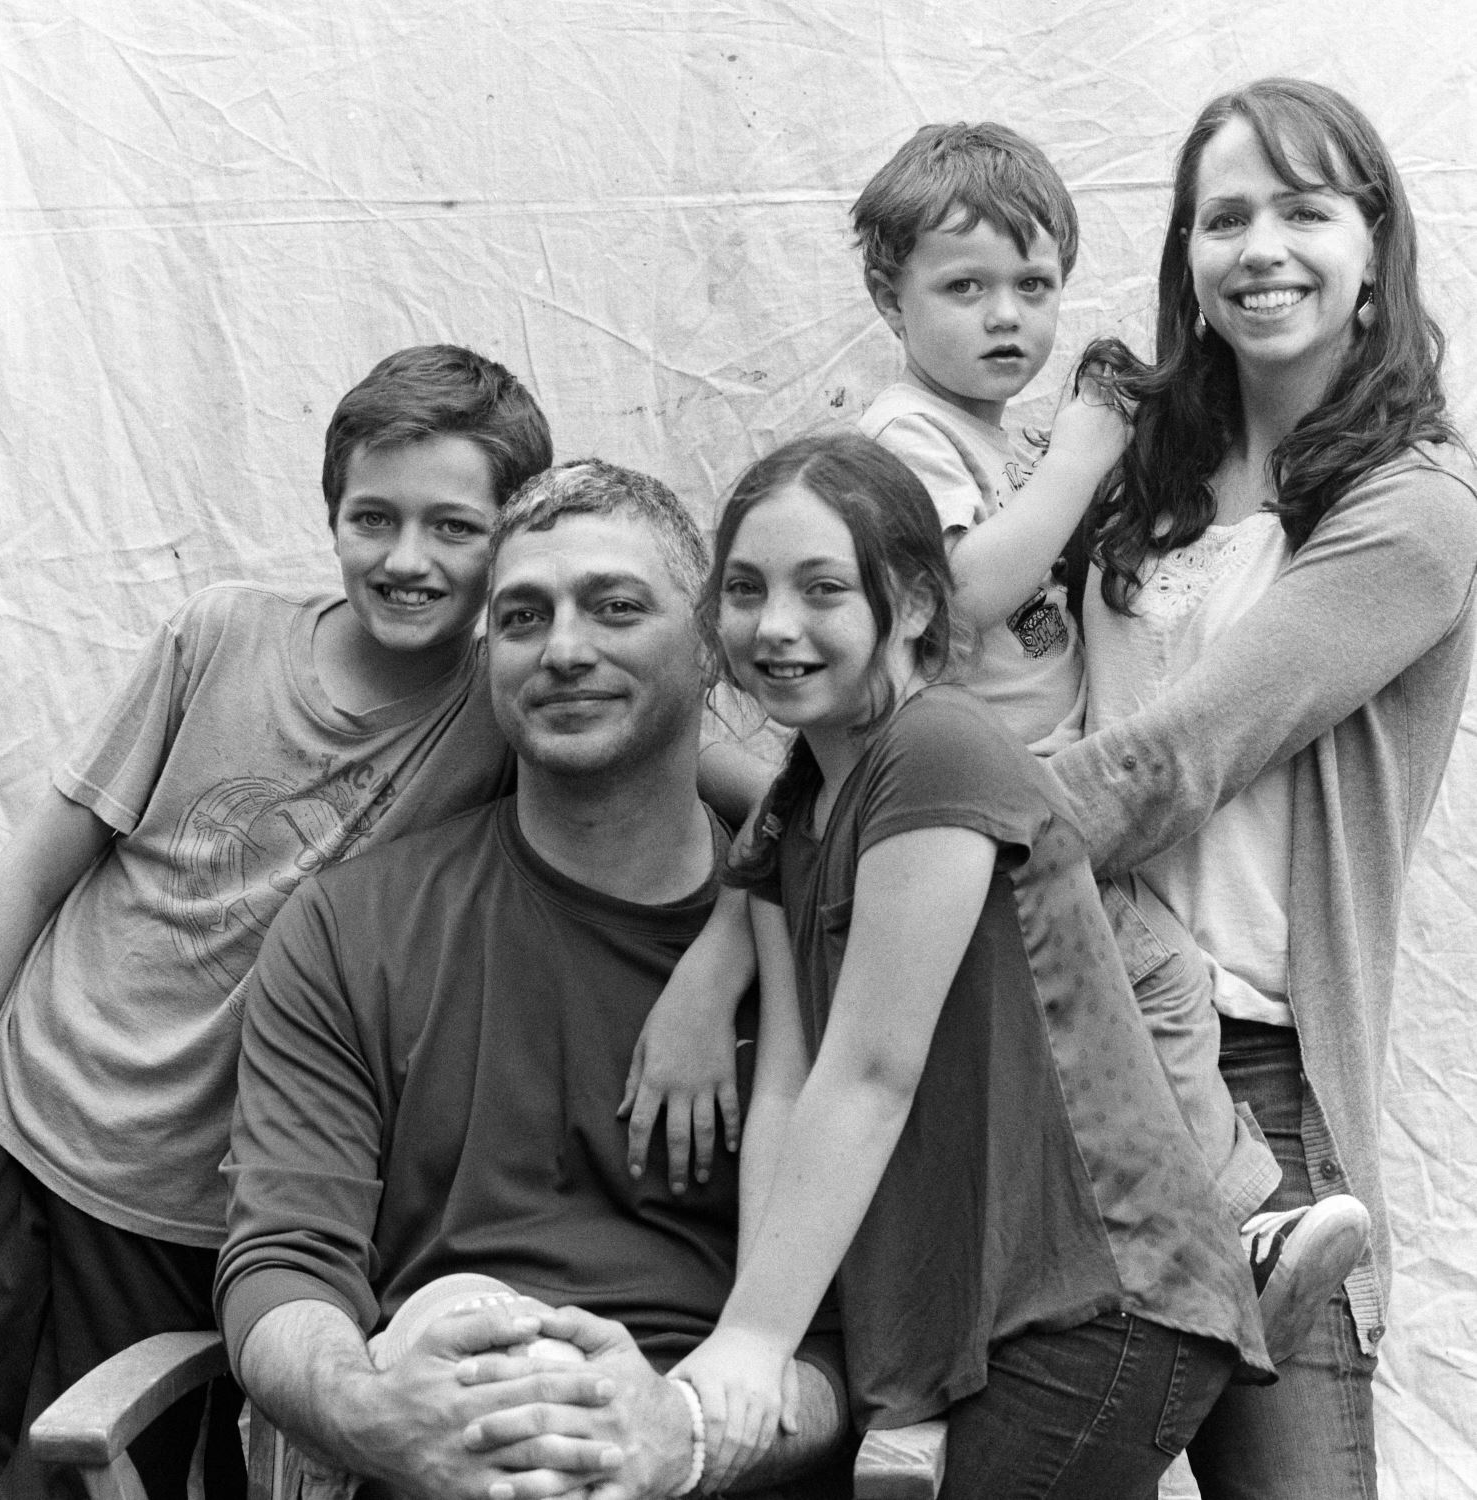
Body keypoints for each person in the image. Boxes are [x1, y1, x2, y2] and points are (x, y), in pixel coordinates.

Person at [624, 118, 1364, 1361]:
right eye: (965, 289)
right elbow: (959, 597)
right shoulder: (907, 439)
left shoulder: (995, 437)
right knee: (1162, 989)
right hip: (981, 806)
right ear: (889, 299)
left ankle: (1140, 1247)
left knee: (1104, 1028)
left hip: (1023, 797)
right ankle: (1230, 1221)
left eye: (1034, 286)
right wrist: (1082, 454)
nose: (1007, 317)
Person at [0, 345, 552, 1500]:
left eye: (454, 527)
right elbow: (35, 871)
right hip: (14, 1122)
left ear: (513, 537)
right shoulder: (221, 634)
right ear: (331, 514)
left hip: (192, 1212)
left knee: (86, 1471)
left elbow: (695, 784)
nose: (406, 558)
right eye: (374, 517)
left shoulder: (508, 704)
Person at [213, 462, 850, 1500]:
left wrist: (679, 1440)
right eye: (521, 617)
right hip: (435, 1435)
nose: (563, 649)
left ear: (711, 646)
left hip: (705, 1437)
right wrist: (379, 1416)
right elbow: (285, 1261)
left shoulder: (828, 945)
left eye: (616, 607)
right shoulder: (349, 927)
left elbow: (858, 1342)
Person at [668, 430, 1270, 1499]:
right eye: (747, 589)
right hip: (966, 1330)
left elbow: (871, 1072)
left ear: (909, 606)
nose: (775, 625)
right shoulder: (793, 814)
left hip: (1098, 1305)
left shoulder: (937, 747)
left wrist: (756, 1337)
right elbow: (788, 1089)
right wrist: (760, 1338)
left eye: (822, 588)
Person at [1049, 78, 1477, 1497]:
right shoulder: (1137, 468)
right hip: (1059, 1037)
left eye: (1305, 211)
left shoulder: (1413, 508)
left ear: (1374, 245)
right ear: (1186, 254)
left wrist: (915, 832)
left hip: (1249, 1078)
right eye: (1224, 217)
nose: (1262, 248)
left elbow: (1174, 762)